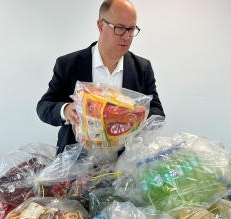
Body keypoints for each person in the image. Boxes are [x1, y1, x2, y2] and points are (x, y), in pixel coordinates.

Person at [37, 0, 165, 155]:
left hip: (124, 167)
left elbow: (157, 112)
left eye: (131, 29)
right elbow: (44, 106)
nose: (126, 36)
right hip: (76, 165)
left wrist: (131, 117)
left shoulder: (142, 68)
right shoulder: (68, 64)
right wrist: (66, 110)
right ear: (100, 25)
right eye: (119, 28)